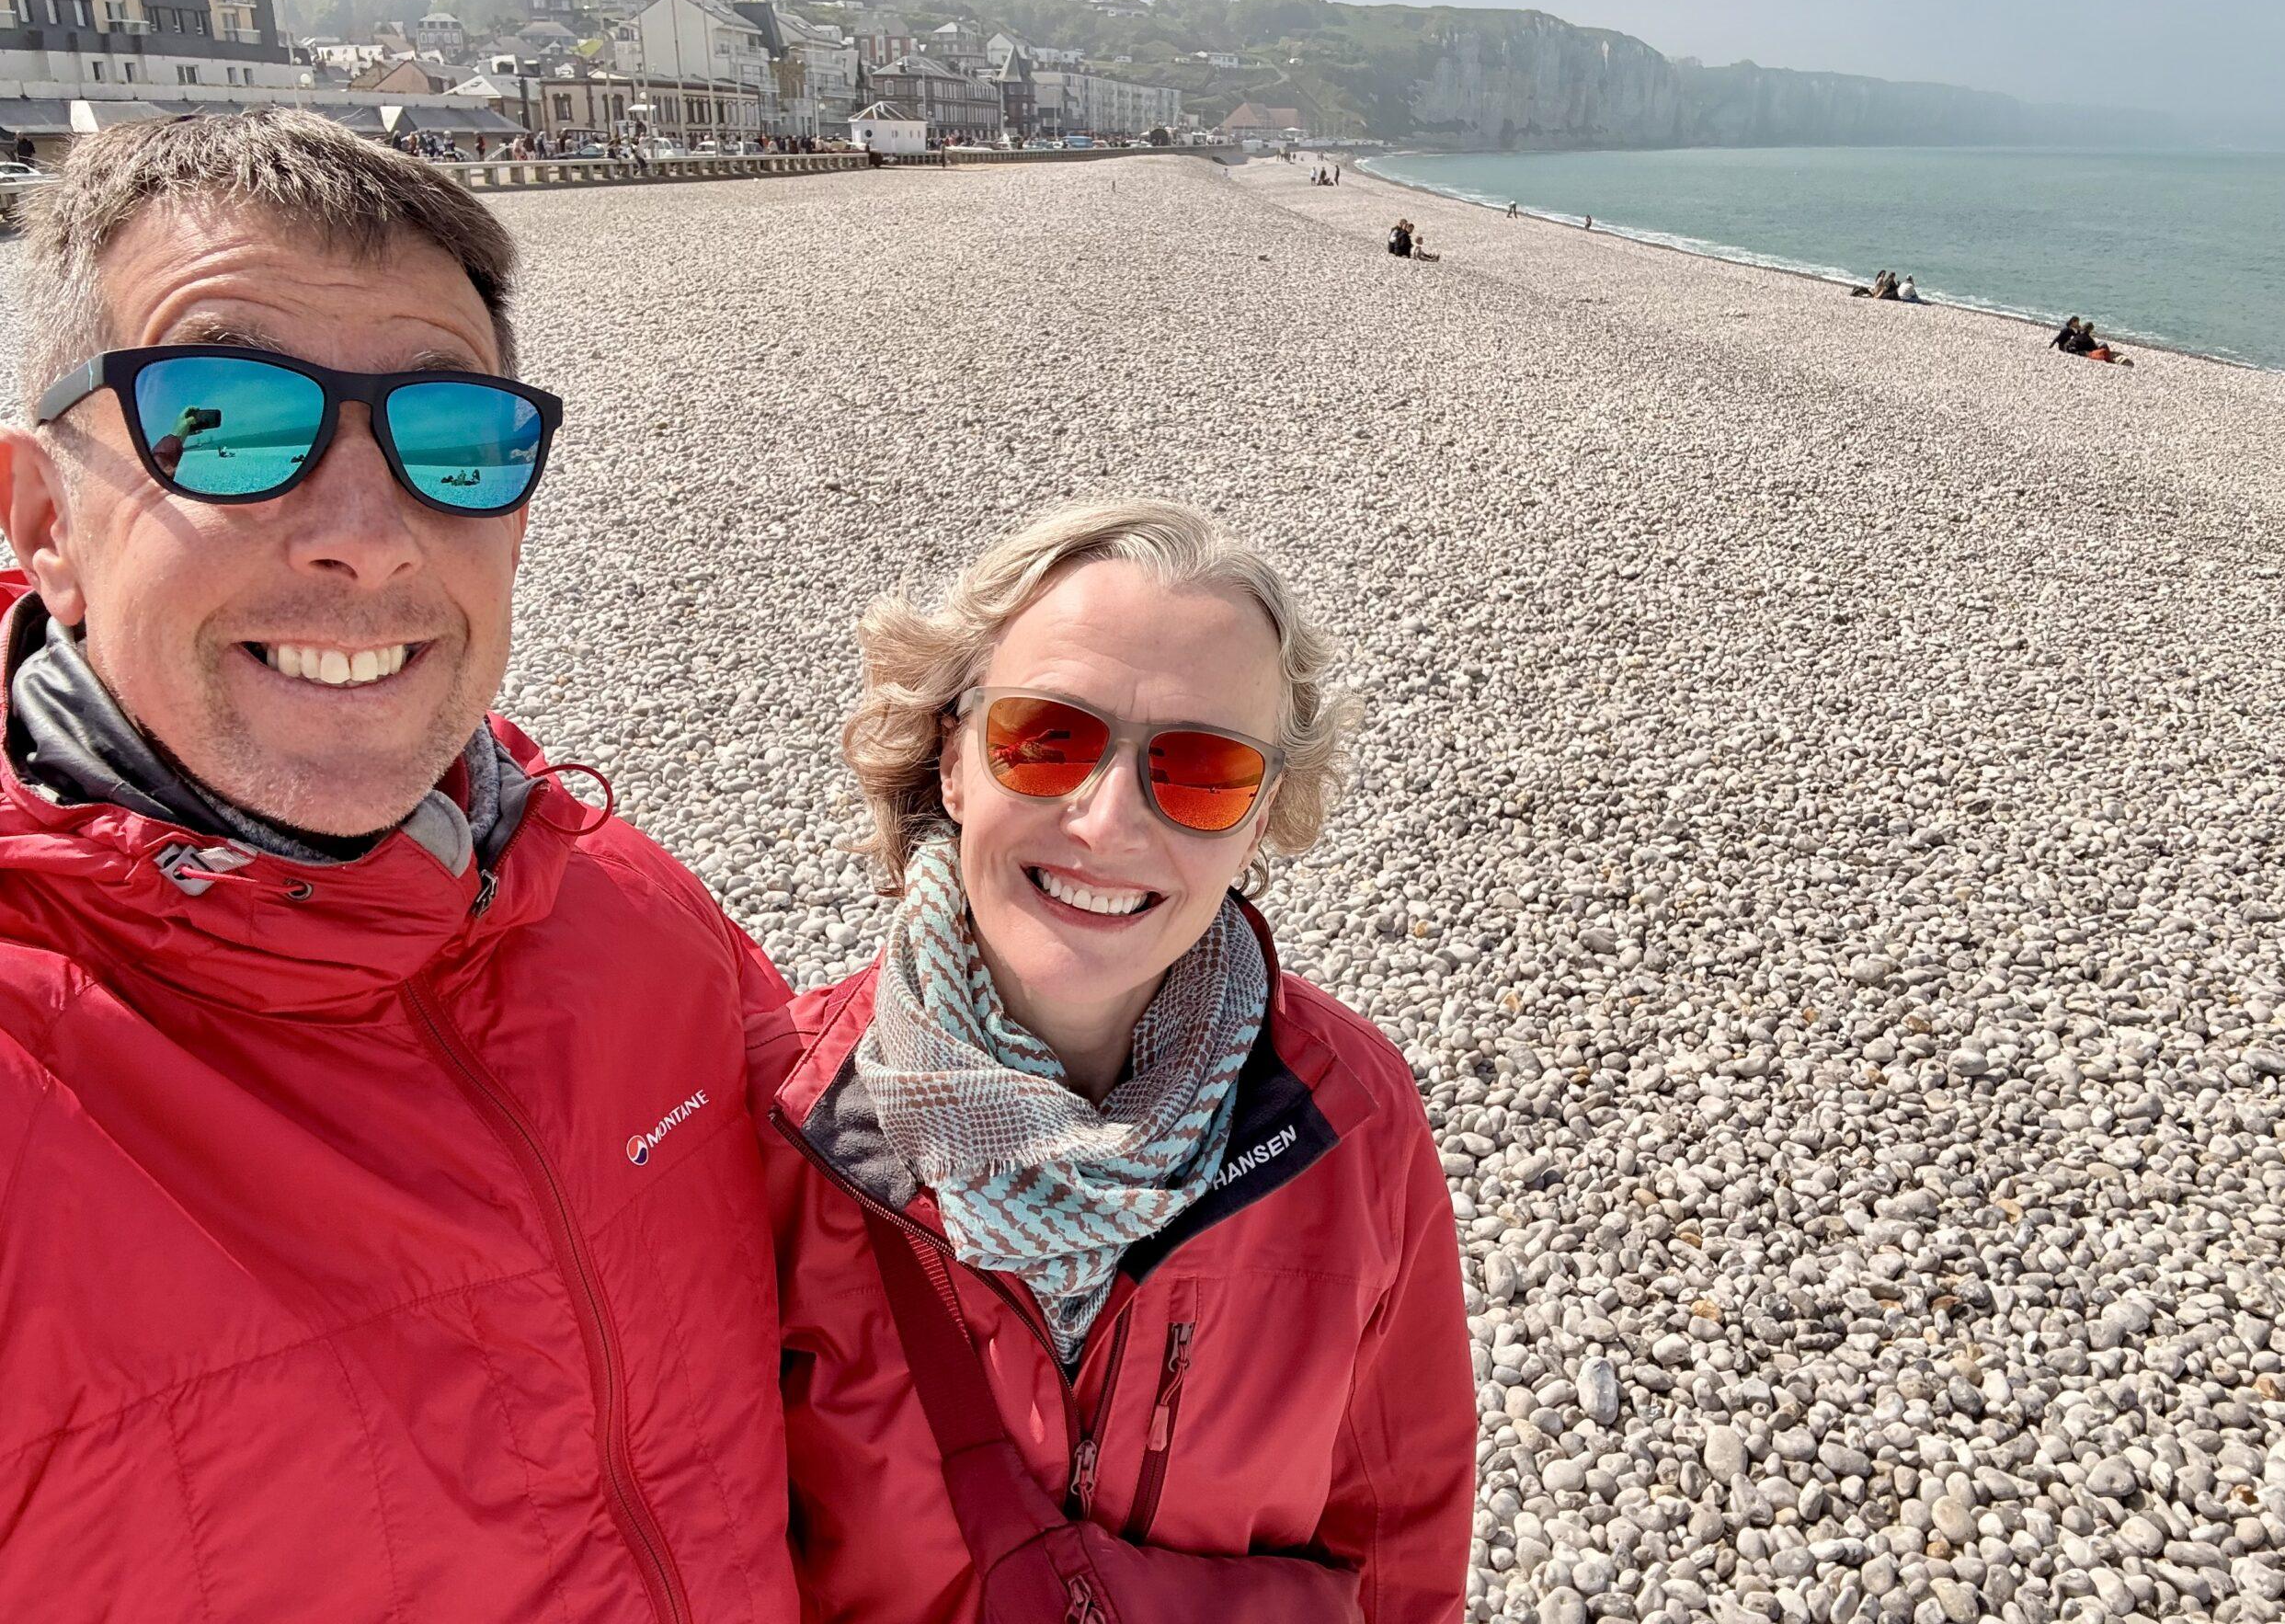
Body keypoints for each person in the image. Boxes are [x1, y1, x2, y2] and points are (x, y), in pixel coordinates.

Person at [0, 109, 795, 1618]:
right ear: (47, 519)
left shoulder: (633, 915)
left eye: (449, 442)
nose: (366, 537)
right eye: (225, 423)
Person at [761, 500, 1478, 1623]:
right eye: (1046, 740)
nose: (1106, 821)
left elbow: (1395, 1520)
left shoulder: (1350, 1118)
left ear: (1261, 820)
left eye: (1198, 771)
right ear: (952, 762)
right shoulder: (783, 1122)